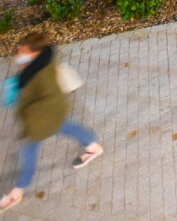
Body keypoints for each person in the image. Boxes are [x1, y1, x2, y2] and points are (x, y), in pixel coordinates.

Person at [0, 32, 103, 212]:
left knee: (29, 154)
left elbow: (37, 99)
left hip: (41, 121)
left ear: (34, 52)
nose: (19, 52)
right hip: (54, 113)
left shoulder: (35, 75)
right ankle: (93, 147)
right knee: (67, 127)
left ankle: (17, 191)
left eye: (23, 50)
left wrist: (29, 118)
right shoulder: (42, 61)